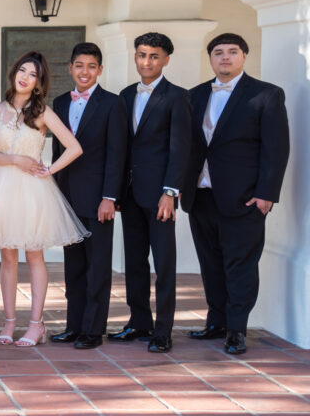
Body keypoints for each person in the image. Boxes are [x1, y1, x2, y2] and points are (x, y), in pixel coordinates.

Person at [182, 33, 290, 355]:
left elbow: (276, 148)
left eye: (232, 52)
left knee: (240, 265)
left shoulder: (266, 95)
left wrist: (266, 193)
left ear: (244, 56)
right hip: (200, 196)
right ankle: (215, 322)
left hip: (244, 198)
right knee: (210, 263)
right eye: (218, 52)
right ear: (211, 58)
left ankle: (236, 330)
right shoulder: (195, 95)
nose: (225, 57)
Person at [0, 52, 87, 347]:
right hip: (2, 186)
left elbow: (73, 147)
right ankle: (8, 322)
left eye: (32, 74)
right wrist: (16, 159)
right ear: (13, 72)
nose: (24, 77)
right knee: (7, 256)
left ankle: (35, 324)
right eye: (21, 70)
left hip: (32, 190)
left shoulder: (42, 112)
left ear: (38, 83)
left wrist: (49, 170)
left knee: (33, 255)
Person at [109, 33, 191, 353]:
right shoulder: (125, 95)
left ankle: (163, 330)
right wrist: (115, 192)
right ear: (135, 57)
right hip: (129, 195)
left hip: (160, 196)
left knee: (164, 263)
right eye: (142, 55)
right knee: (135, 262)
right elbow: (121, 147)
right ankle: (138, 321)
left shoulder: (177, 97)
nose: (147, 61)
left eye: (154, 56)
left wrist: (170, 192)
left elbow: (180, 149)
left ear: (166, 59)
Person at [51, 42, 128, 350]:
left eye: (91, 66)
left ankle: (93, 331)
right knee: (74, 267)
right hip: (67, 197)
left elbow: (117, 154)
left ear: (100, 70)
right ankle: (74, 326)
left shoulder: (113, 103)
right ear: (70, 68)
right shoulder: (58, 102)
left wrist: (110, 197)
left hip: (99, 200)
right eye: (79, 65)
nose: (85, 71)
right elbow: (59, 152)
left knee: (97, 267)